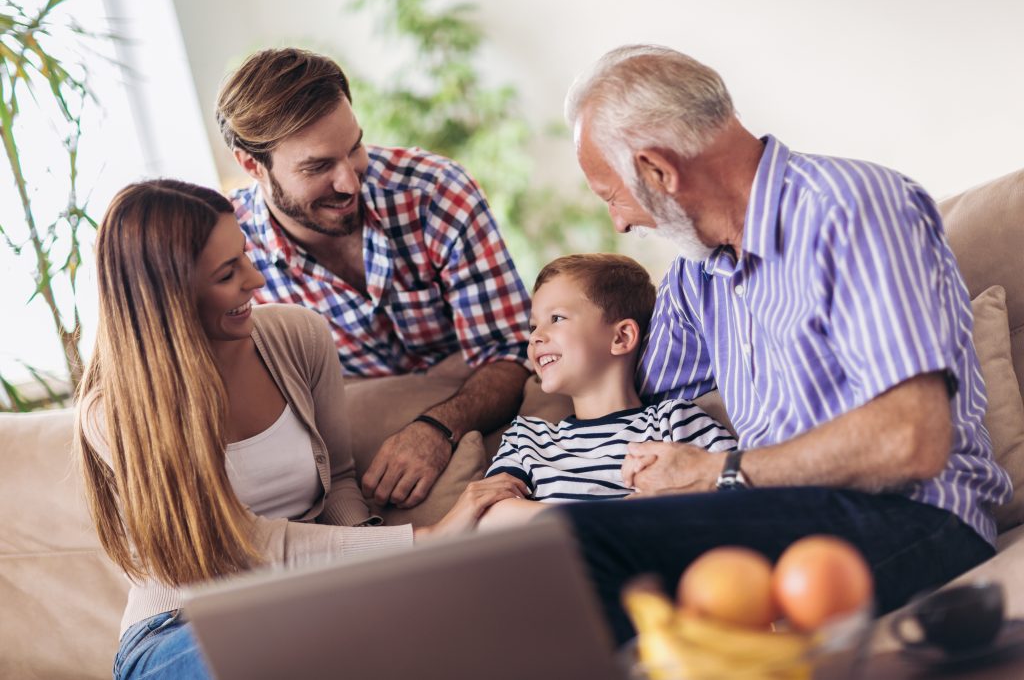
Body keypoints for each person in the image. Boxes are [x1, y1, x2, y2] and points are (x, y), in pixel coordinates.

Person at [556, 44, 1012, 644]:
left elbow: (912, 438)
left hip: (918, 516)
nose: (619, 224)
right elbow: (638, 394)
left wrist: (721, 472)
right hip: (787, 519)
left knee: (581, 544)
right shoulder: (697, 273)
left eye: (611, 195)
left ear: (658, 171)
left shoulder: (854, 209)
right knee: (554, 555)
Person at [75, 179, 527, 679]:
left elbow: (339, 479)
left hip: (305, 604)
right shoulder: (114, 415)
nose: (256, 280)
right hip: (181, 628)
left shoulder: (298, 336)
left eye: (245, 256)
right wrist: (424, 540)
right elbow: (242, 544)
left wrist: (390, 573)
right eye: (228, 274)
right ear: (171, 298)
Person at [214, 48, 533, 510]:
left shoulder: (436, 192)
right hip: (361, 435)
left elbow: (510, 349)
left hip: (481, 399)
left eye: (354, 148)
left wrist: (435, 427)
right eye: (318, 166)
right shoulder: (230, 251)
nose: (349, 182)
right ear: (251, 165)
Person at [478, 253, 735, 529]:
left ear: (620, 337)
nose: (536, 336)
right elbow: (490, 516)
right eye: (533, 326)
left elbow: (740, 491)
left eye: (556, 318)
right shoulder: (527, 439)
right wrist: (608, 518)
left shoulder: (673, 421)